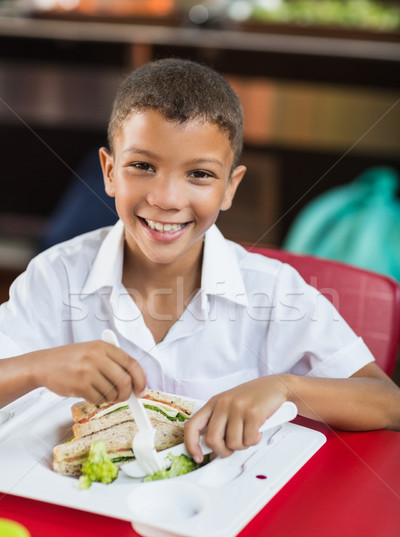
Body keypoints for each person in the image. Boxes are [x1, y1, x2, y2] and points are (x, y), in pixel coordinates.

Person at [0, 58, 399, 464]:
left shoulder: (274, 290)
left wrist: (285, 387)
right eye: (142, 166)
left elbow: (388, 402)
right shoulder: (55, 275)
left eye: (200, 175)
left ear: (230, 187)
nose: (167, 199)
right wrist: (35, 366)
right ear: (109, 172)